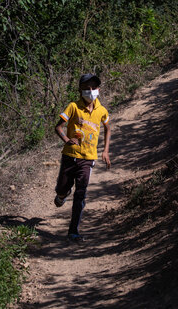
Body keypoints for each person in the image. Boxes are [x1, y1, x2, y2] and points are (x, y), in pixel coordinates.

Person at [54, 73, 111, 242]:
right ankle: (62, 194)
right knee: (62, 188)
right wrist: (66, 139)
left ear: (98, 90)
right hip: (70, 155)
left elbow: (108, 128)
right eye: (86, 89)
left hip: (88, 158)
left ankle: (73, 232)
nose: (90, 91)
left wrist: (105, 150)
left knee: (81, 194)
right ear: (80, 90)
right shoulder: (73, 107)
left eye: (93, 88)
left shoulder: (102, 110)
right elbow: (58, 127)